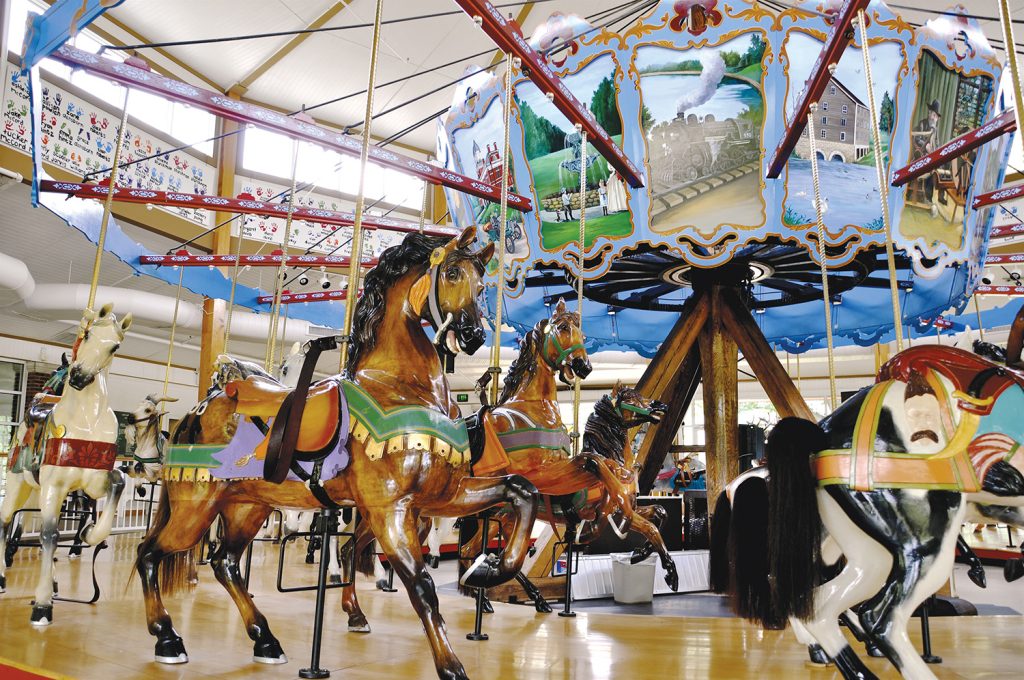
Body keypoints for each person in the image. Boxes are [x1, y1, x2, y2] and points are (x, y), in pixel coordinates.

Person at [911, 99, 942, 217]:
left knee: (935, 171)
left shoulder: (936, 129)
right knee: (929, 168)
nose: (932, 117)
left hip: (932, 156)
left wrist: (937, 151)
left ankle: (928, 197)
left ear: (937, 118)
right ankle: (920, 196)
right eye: (931, 114)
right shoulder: (922, 123)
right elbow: (916, 138)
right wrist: (926, 146)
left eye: (934, 115)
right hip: (921, 155)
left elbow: (938, 143)